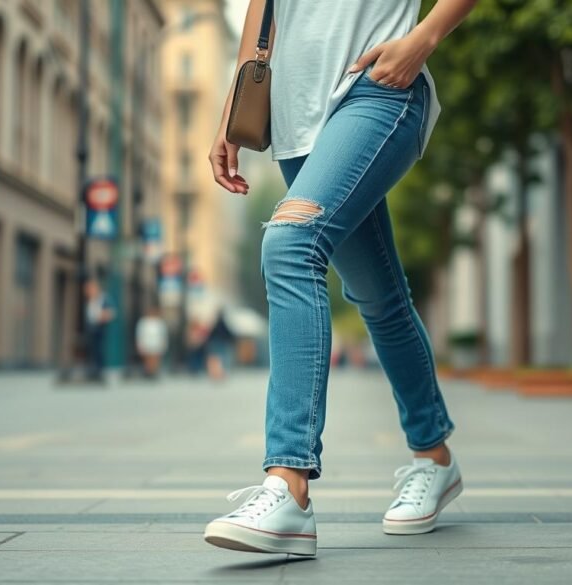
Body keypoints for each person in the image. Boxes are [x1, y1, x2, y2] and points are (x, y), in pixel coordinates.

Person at [203, 0, 478, 556]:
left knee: (289, 243)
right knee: (380, 297)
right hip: (295, 119)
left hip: (377, 90)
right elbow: (264, 16)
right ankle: (435, 458)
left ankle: (288, 487)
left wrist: (424, 38)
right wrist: (232, 112)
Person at [84, 276, 115, 377]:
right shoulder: (90, 300)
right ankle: (93, 368)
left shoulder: (104, 298)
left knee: (99, 349)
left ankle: (99, 370)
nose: (88, 291)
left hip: (100, 328)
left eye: (91, 288)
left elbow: (111, 313)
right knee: (92, 349)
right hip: (90, 328)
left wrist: (101, 317)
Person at [136, 306, 169, 378]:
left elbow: (163, 334)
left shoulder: (159, 322)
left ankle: (154, 372)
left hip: (156, 343)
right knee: (148, 358)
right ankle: (148, 372)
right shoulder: (143, 322)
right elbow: (140, 334)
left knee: (155, 358)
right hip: (147, 343)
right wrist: (140, 344)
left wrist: (164, 343)